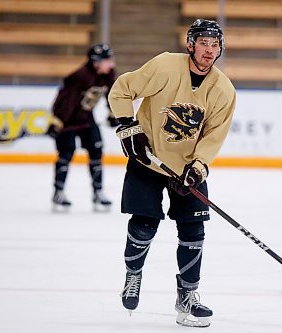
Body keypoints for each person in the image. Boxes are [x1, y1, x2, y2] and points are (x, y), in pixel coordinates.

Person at [108, 19, 236, 327]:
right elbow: (122, 90)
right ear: (191, 44)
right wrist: (129, 127)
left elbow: (213, 136)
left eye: (215, 44)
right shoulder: (165, 66)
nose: (210, 49)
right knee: (144, 225)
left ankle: (187, 297)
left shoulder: (223, 89)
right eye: (204, 43)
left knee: (194, 234)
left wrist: (199, 167)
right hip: (148, 161)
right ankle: (133, 274)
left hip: (187, 168)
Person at [47, 43, 118, 210]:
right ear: (96, 62)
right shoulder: (79, 77)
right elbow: (66, 102)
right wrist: (57, 122)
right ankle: (58, 192)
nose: (111, 64)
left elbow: (112, 94)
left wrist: (113, 114)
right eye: (107, 60)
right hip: (68, 121)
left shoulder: (107, 74)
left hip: (87, 119)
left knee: (96, 151)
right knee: (66, 153)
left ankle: (98, 192)